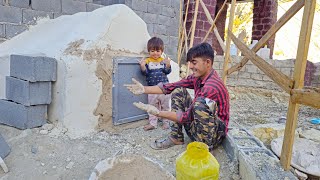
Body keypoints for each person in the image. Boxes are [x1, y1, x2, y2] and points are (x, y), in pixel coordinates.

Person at [125, 42, 229, 150]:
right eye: (190, 63)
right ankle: (176, 137)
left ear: (207, 62)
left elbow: (187, 116)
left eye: (194, 62)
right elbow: (172, 86)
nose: (191, 66)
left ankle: (204, 148)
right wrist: (144, 89)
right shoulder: (198, 77)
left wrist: (158, 112)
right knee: (178, 90)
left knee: (199, 104)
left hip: (215, 135)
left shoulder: (211, 87)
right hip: (200, 126)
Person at [139, 37, 172, 131]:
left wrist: (168, 65)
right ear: (149, 51)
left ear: (162, 51)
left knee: (165, 106)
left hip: (164, 89)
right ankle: (153, 123)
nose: (155, 53)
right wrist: (142, 66)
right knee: (152, 107)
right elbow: (145, 73)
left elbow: (167, 71)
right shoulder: (147, 61)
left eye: (158, 51)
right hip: (152, 89)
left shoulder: (163, 61)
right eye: (152, 51)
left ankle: (166, 121)